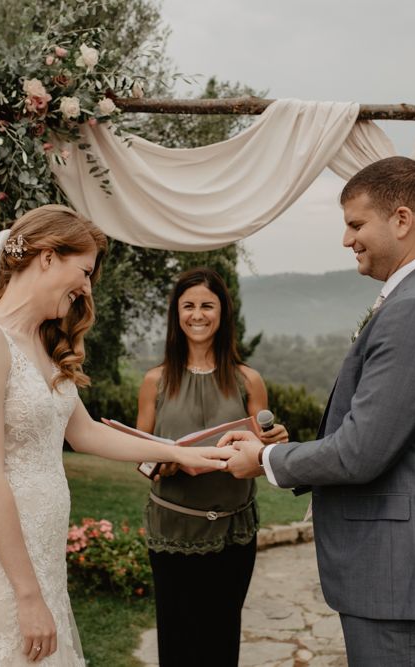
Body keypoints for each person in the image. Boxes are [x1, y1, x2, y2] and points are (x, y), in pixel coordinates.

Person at [0, 205, 235, 667]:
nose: (85, 288)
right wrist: (27, 595)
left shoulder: (39, 343)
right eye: (83, 271)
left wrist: (181, 453)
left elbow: (86, 432)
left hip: (40, 552)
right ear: (46, 258)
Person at [222, 157, 415, 665]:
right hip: (400, 569)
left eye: (356, 224)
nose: (346, 239)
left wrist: (265, 461)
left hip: (400, 571)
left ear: (401, 220)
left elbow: (361, 451)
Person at [136, 267, 288, 666]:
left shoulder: (248, 380)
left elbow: (260, 449)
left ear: (223, 313)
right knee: (178, 639)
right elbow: (139, 452)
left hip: (233, 533)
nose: (197, 314)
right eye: (188, 306)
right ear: (176, 314)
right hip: (173, 529)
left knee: (221, 639)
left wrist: (274, 444)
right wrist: (161, 463)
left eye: (207, 305)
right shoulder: (154, 381)